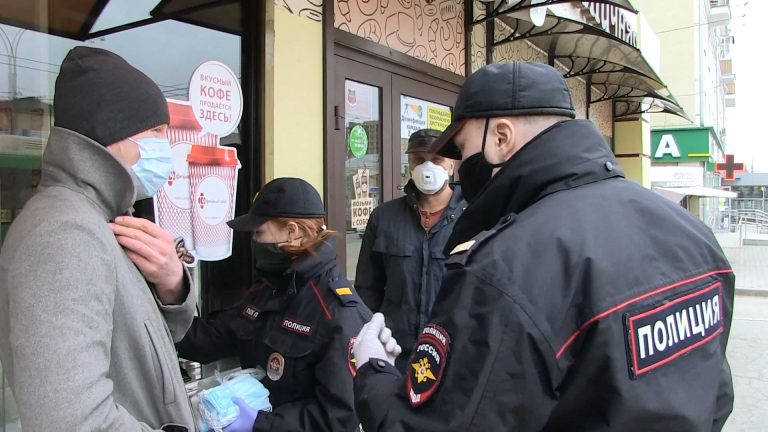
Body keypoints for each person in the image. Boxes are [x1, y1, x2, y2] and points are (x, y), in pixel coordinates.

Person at [352, 61, 735, 431]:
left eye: (463, 148)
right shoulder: (691, 233)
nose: (462, 166)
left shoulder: (506, 265)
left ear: (501, 138)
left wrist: (373, 370)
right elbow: (716, 397)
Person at [0, 47, 196, 430]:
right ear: (113, 129)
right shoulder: (63, 233)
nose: (165, 147)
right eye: (156, 132)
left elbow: (142, 348)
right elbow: (73, 421)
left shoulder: (104, 216)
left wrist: (172, 284)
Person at [176, 177, 372, 432]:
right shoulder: (267, 290)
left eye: (258, 232)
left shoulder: (338, 312)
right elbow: (209, 340)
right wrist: (169, 293)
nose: (253, 241)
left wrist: (260, 425)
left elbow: (338, 418)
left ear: (292, 231)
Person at [355, 128, 465, 372]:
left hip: (453, 357)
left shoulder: (473, 217)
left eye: (437, 159)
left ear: (451, 165)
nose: (427, 167)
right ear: (409, 164)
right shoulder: (384, 218)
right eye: (419, 159)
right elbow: (367, 289)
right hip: (395, 354)